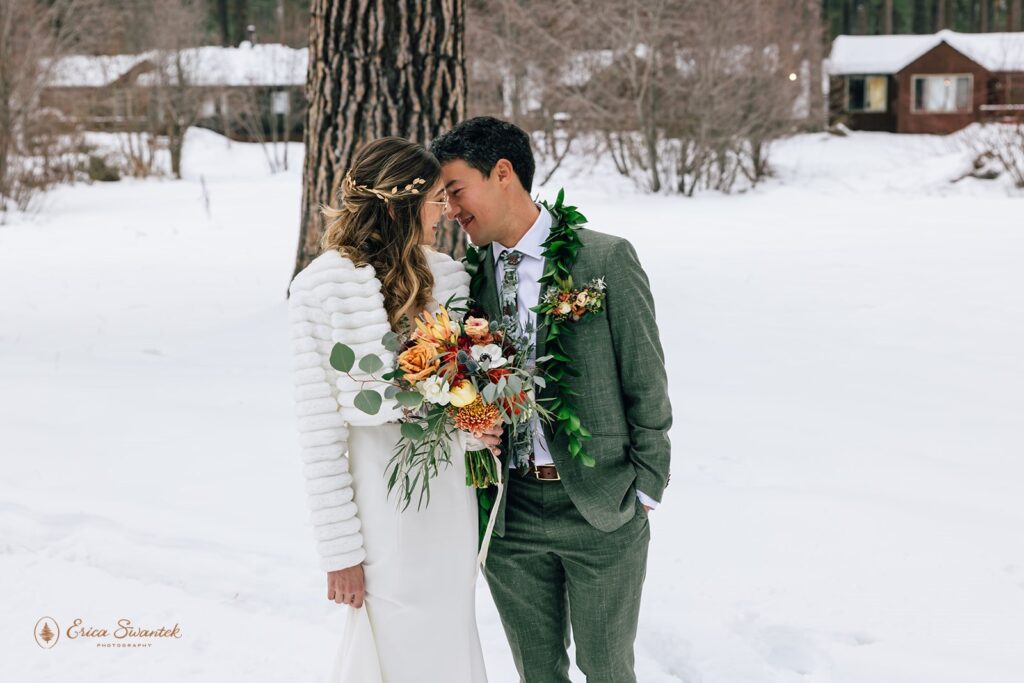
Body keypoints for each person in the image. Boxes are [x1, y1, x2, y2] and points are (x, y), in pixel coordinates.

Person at [431, 117, 673, 683]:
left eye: (456, 190)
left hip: (600, 506)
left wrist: (645, 486)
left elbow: (646, 380)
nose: (450, 209)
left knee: (608, 668)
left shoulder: (604, 260)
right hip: (508, 513)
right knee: (537, 673)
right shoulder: (465, 281)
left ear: (503, 173)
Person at [288, 136, 499, 682]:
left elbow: (466, 395)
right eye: (434, 200)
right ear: (397, 205)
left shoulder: (451, 278)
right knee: (388, 635)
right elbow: (319, 431)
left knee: (449, 631)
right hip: (378, 500)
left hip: (450, 498)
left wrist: (482, 440)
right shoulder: (319, 291)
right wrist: (340, 550)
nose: (447, 212)